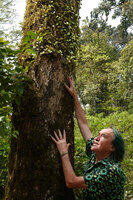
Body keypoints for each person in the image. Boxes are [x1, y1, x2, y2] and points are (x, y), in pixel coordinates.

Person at [51, 77, 126, 200]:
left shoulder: (112, 171)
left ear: (112, 147)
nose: (96, 138)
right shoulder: (95, 155)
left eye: (103, 136)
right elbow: (83, 123)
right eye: (98, 134)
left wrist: (64, 152)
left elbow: (71, 182)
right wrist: (75, 97)